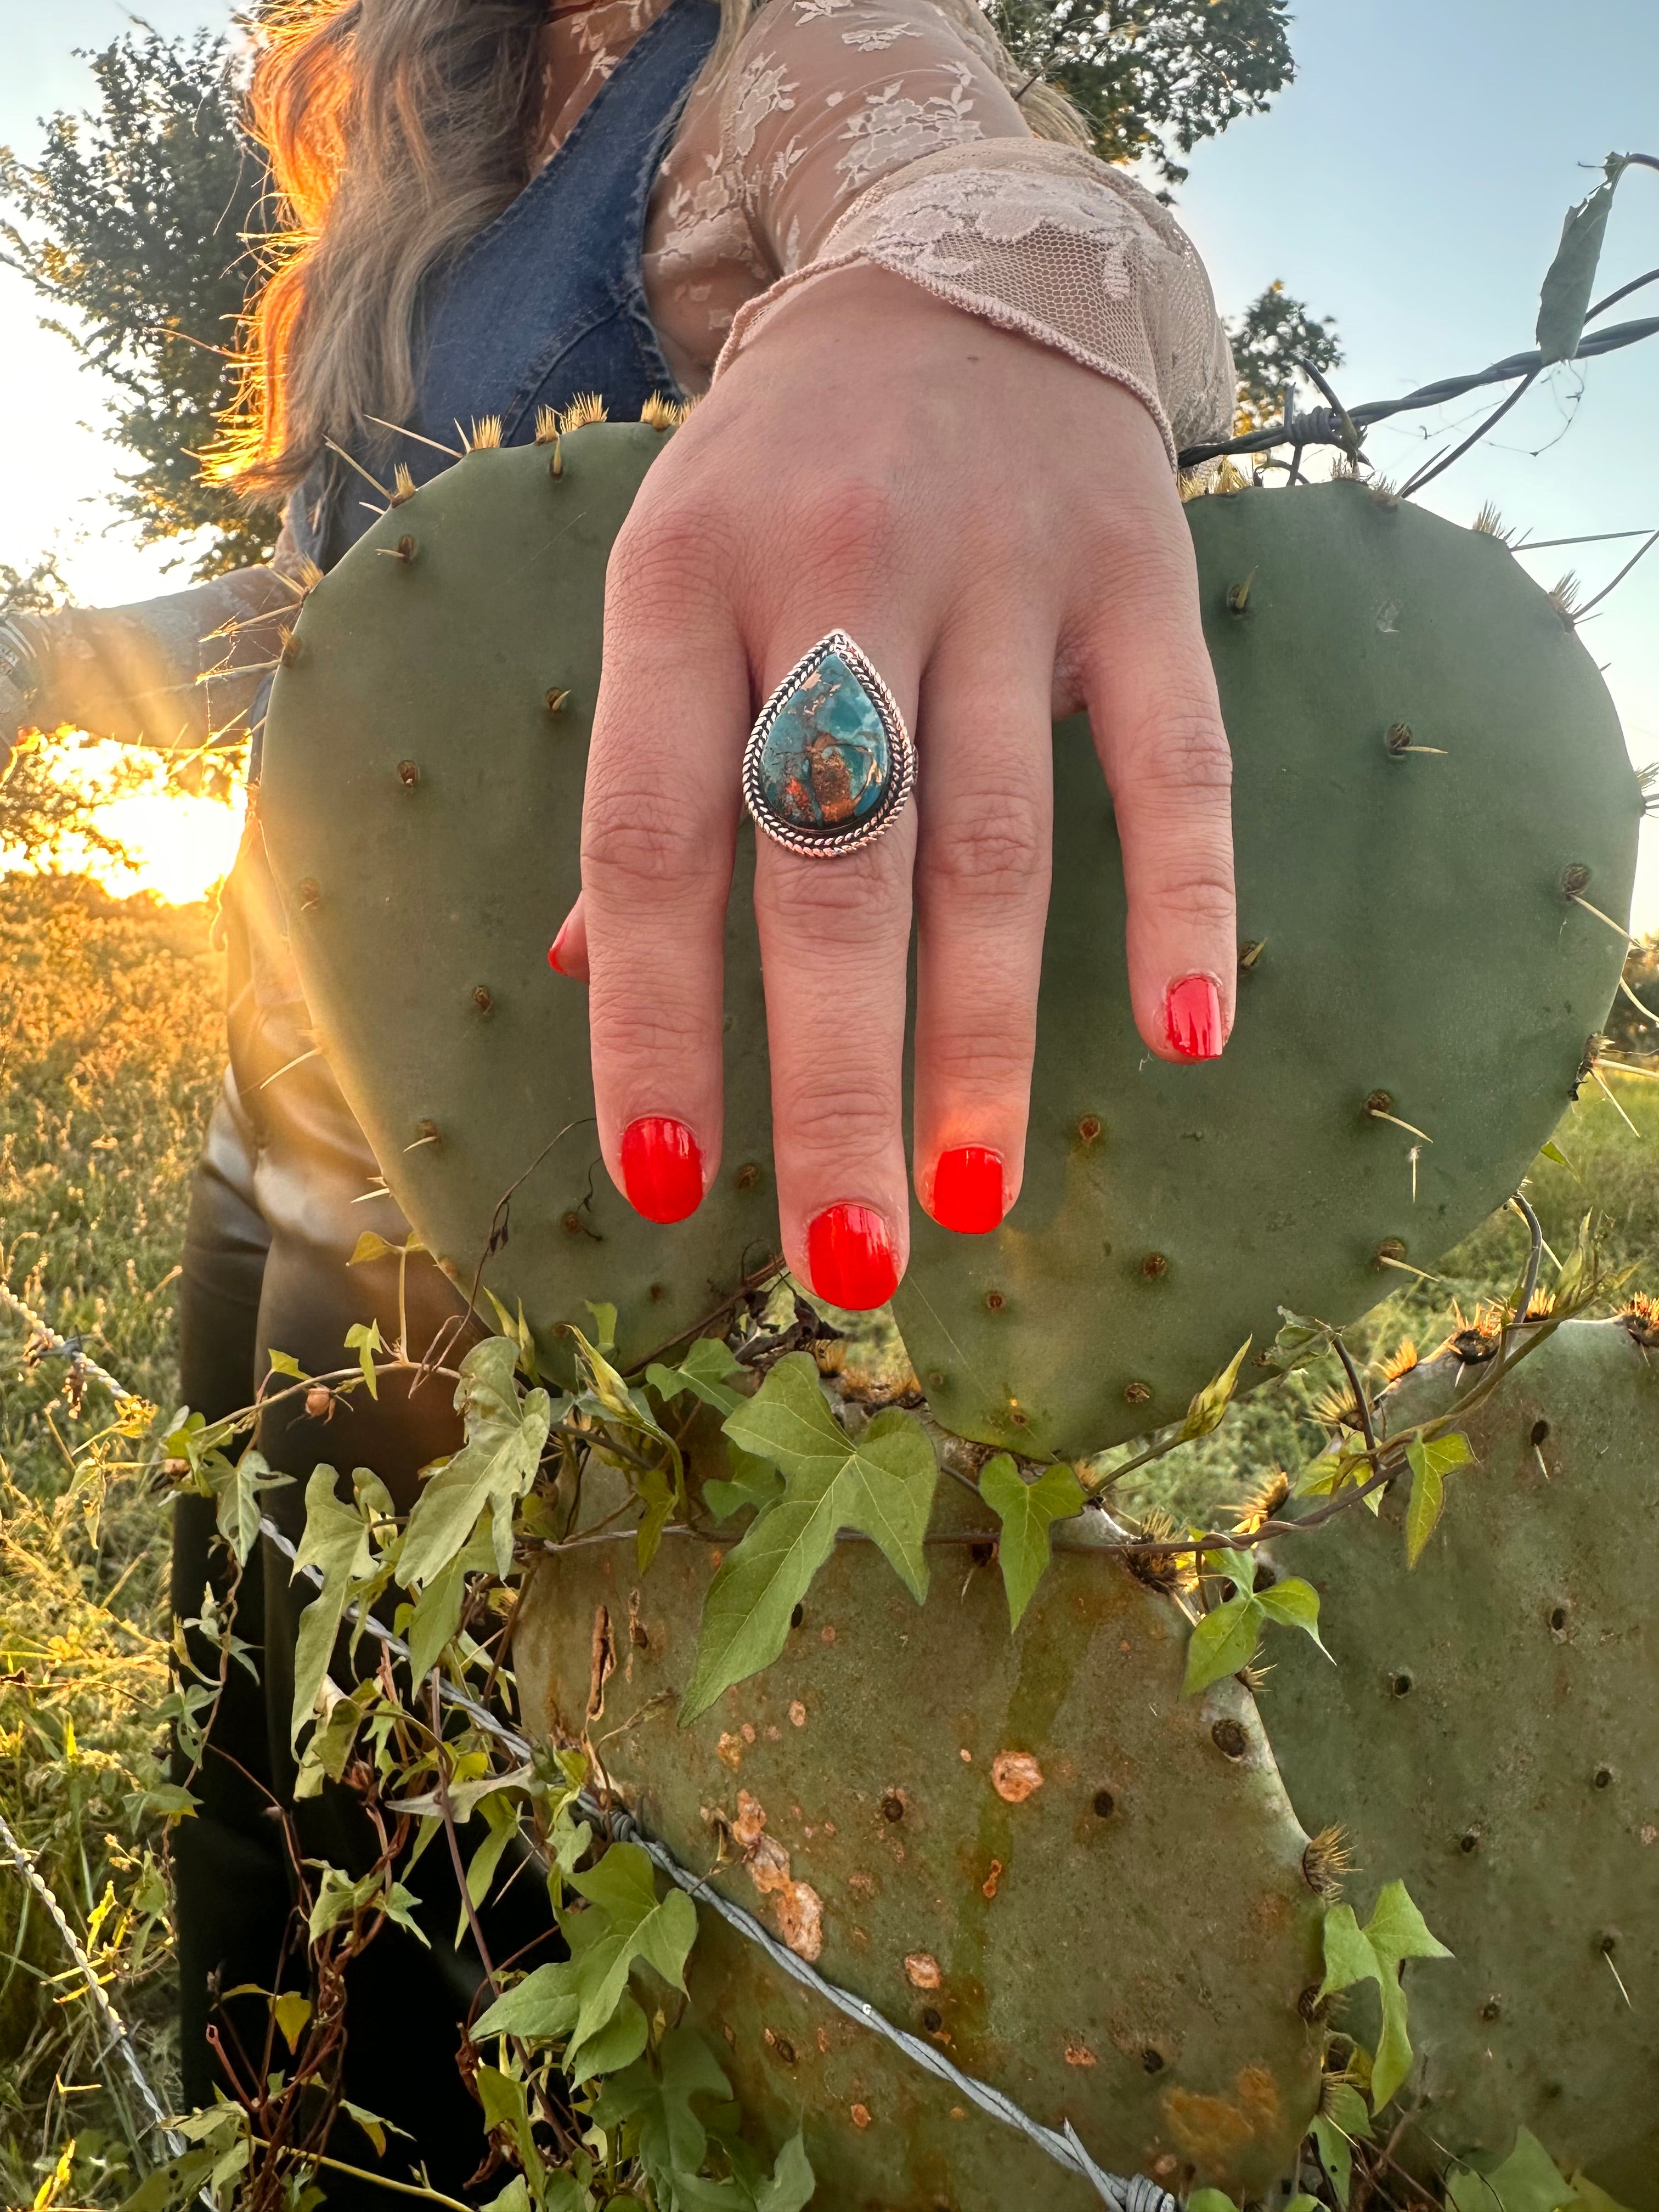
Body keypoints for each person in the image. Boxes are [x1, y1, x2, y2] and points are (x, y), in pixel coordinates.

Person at [0, 0, 1238, 2186]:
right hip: (257, 1177)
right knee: (247, 1836)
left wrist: (964, 298)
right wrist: (32, 658)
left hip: (523, 1297)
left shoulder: (775, 54)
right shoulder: (425, 191)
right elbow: (318, 620)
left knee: (465, 1978)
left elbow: (992, 198)